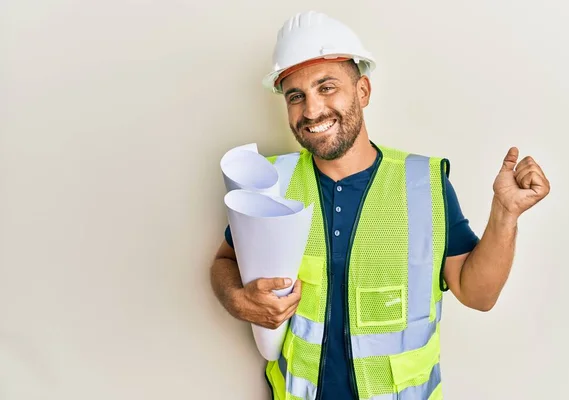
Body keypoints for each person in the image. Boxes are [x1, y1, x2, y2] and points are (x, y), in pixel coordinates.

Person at [210, 10, 550, 400]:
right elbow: (224, 262)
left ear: (363, 91)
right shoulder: (271, 182)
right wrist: (238, 301)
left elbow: (478, 294)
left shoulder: (423, 185)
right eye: (295, 96)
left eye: (326, 87)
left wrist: (505, 214)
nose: (311, 110)